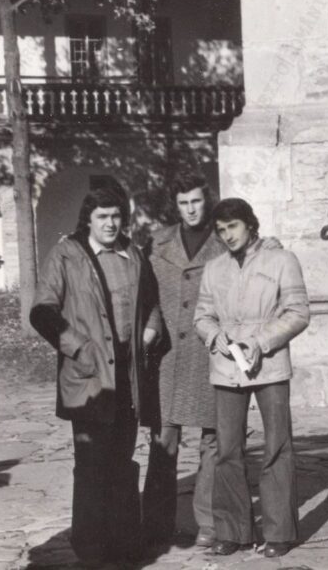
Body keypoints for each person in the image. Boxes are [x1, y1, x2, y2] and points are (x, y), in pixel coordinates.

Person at [29, 187, 161, 566]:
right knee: (91, 467)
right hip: (89, 380)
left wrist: (146, 337)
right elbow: (42, 310)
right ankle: (90, 552)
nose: (110, 223)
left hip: (128, 379)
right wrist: (78, 347)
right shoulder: (67, 254)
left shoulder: (133, 256)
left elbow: (151, 304)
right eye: (102, 216)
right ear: (88, 219)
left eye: (116, 216)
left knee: (122, 463)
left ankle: (124, 546)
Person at [194, 198, 310, 558]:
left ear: (249, 224)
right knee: (228, 450)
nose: (228, 235)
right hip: (227, 368)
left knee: (277, 446)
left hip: (270, 365)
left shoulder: (281, 260)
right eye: (221, 230)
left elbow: (298, 313)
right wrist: (216, 337)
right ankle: (233, 532)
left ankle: (278, 533)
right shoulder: (213, 268)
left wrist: (260, 342)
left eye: (233, 226)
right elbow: (202, 315)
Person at [140, 176, 226, 548]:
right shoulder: (157, 243)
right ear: (175, 206)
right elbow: (147, 296)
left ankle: (207, 522)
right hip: (168, 356)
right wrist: (152, 330)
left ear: (207, 201)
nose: (191, 209)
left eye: (196, 201)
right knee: (163, 441)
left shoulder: (224, 242)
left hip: (210, 353)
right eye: (183, 203)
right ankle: (156, 524)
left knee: (213, 441)